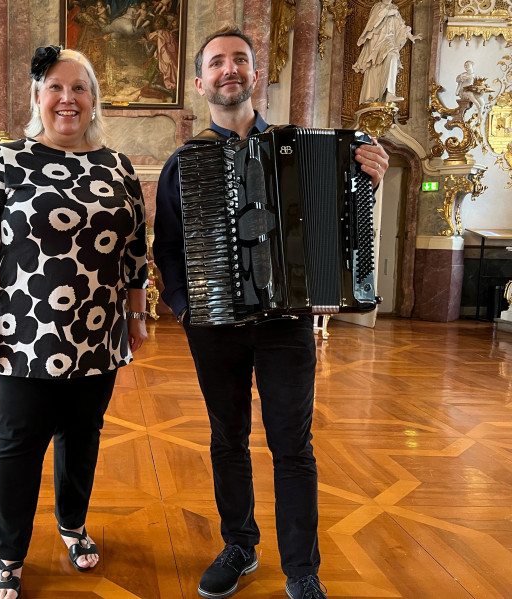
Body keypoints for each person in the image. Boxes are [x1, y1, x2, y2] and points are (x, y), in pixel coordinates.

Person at [153, 26, 389, 599]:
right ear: (199, 82)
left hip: (287, 324)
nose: (229, 69)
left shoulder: (304, 149)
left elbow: (341, 222)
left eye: (239, 60)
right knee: (227, 438)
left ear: (255, 75)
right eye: (216, 62)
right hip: (215, 327)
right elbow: (167, 248)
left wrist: (367, 179)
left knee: (292, 444)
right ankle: (239, 544)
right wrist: (186, 310)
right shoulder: (184, 162)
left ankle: (302, 570)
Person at [0, 45, 149, 599]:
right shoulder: (6, 161)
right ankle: (8, 555)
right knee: (17, 443)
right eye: (56, 88)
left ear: (94, 99)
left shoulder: (118, 166)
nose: (68, 99)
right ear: (38, 97)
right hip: (23, 336)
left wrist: (136, 316)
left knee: (83, 437)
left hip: (99, 333)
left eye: (79, 88)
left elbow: (136, 251)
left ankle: (73, 525)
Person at [352, 0, 421, 104]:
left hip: (389, 41)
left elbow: (401, 26)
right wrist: (387, 13)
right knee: (374, 68)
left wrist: (411, 36)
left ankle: (389, 93)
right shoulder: (378, 6)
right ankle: (370, 96)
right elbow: (373, 22)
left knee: (392, 56)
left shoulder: (395, 9)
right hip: (376, 41)